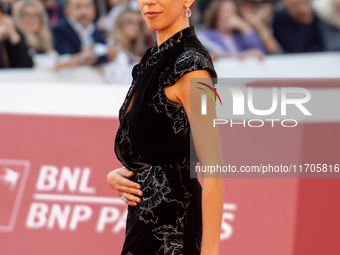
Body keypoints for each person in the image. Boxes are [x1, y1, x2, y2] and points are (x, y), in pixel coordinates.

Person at [106, 0, 224, 254]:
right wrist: (122, 175)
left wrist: (210, 251)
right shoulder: (152, 59)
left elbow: (213, 168)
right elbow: (159, 147)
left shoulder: (191, 66)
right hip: (145, 224)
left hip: (176, 230)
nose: (149, 2)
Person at [196, 0, 265, 61]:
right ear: (216, 14)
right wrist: (241, 56)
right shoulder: (204, 35)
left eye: (232, 11)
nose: (228, 15)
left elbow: (259, 51)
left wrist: (245, 29)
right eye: (225, 11)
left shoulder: (239, 35)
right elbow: (217, 53)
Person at [52, 0, 107, 68]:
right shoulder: (59, 31)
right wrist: (82, 58)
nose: (84, 12)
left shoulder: (98, 31)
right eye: (78, 7)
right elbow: (63, 59)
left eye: (88, 6)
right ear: (67, 9)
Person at [103, 7, 146, 84]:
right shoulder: (111, 45)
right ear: (120, 23)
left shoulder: (134, 50)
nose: (135, 26)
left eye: (139, 23)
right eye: (130, 22)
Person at [12, 0, 57, 68]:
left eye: (36, 15)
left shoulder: (46, 41)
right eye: (27, 15)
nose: (31, 19)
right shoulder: (16, 41)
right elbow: (26, 65)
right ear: (18, 17)